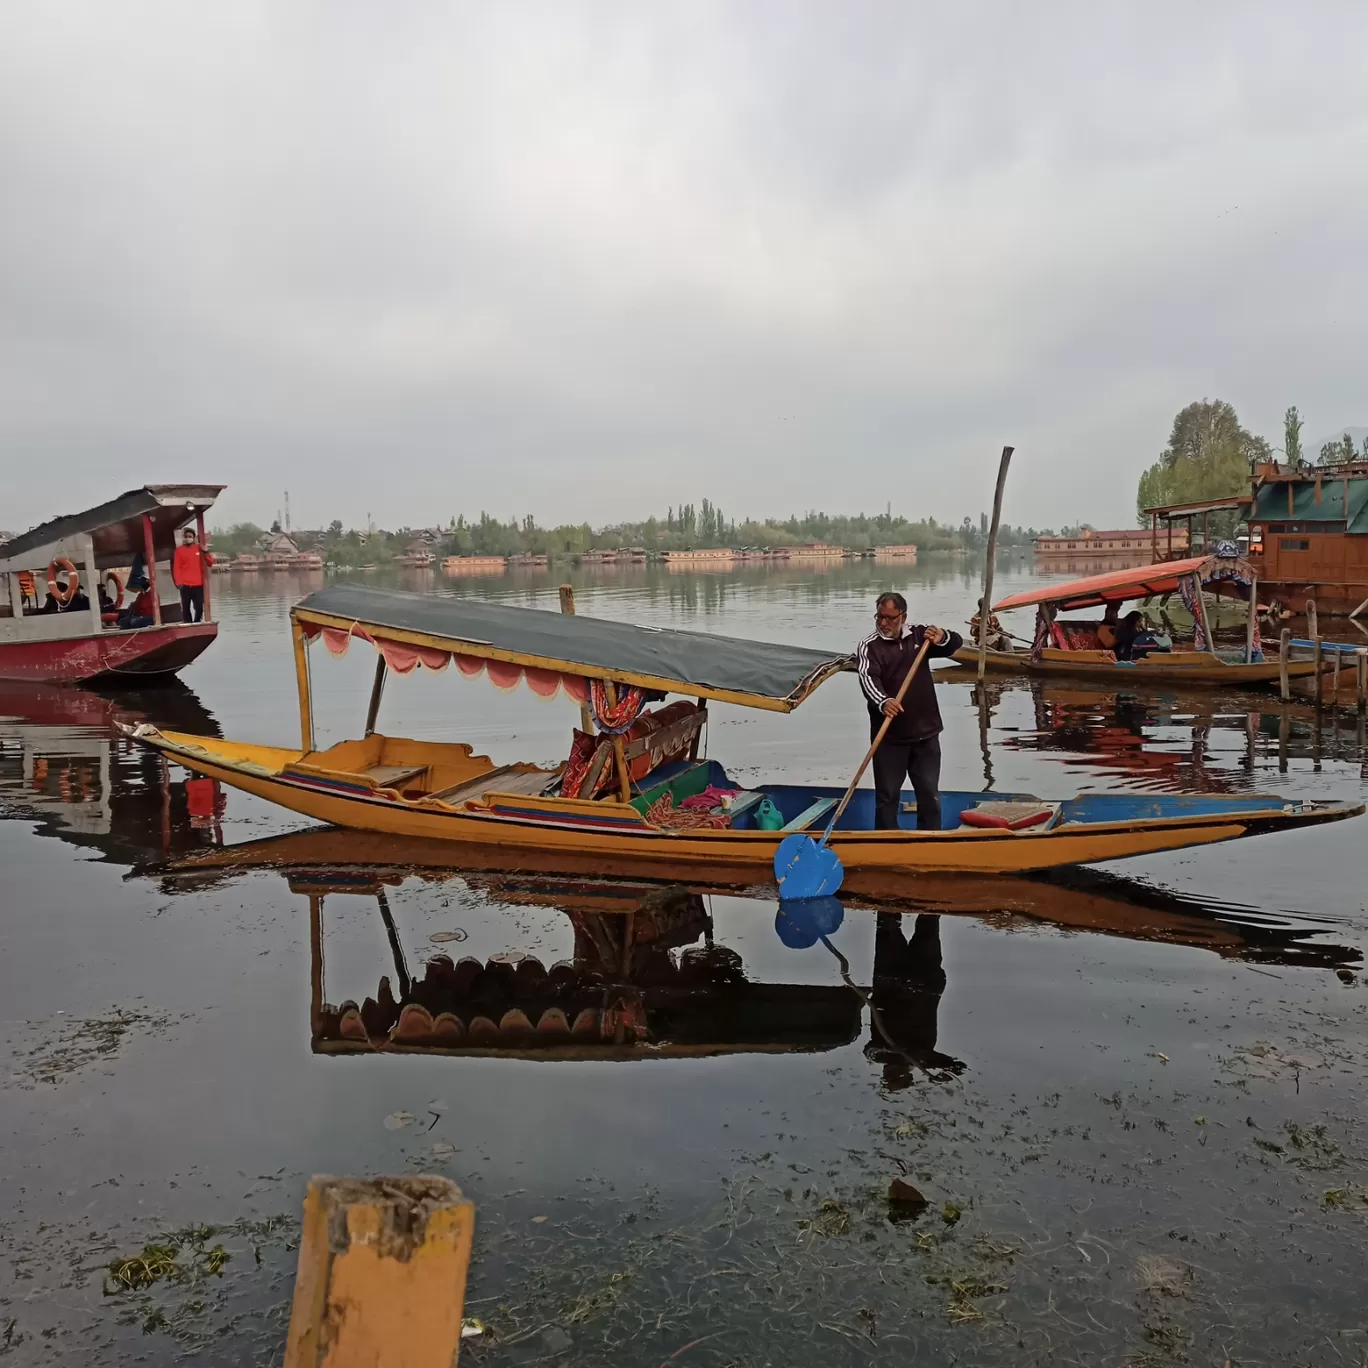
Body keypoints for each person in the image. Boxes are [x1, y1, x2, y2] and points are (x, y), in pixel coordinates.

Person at [856, 592, 963, 831]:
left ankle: (930, 841)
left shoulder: (920, 637)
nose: (884, 623)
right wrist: (884, 701)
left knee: (929, 795)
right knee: (887, 797)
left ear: (903, 616)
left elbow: (954, 645)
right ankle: (886, 844)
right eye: (880, 617)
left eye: (890, 618)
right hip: (889, 739)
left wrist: (943, 636)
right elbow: (867, 680)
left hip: (926, 734)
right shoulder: (869, 646)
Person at [172, 527, 214, 623]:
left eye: (190, 536)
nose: (188, 538)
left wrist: (206, 551)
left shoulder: (199, 548)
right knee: (185, 607)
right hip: (185, 585)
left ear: (194, 538)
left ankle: (197, 623)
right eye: (186, 536)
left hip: (198, 585)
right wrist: (179, 583)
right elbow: (176, 568)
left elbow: (210, 563)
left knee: (199, 607)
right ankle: (188, 624)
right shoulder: (179, 550)